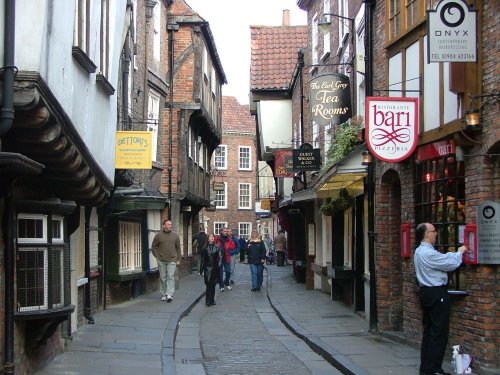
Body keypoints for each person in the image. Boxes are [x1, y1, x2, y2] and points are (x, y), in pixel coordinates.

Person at [413, 223, 468, 375]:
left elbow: (442, 258)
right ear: (426, 235)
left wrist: (453, 254)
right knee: (439, 333)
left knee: (429, 331)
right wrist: (460, 252)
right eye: (433, 231)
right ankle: (433, 369)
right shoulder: (427, 253)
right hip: (436, 294)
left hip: (426, 293)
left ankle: (426, 368)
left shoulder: (420, 251)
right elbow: (449, 263)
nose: (436, 234)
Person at [152, 219, 181, 303]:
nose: (170, 226)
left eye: (171, 224)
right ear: (164, 226)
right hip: (161, 260)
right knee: (163, 277)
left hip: (172, 259)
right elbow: (154, 247)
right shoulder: (158, 235)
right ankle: (164, 294)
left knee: (170, 276)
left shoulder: (175, 236)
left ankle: (169, 294)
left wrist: (178, 259)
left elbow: (178, 248)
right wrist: (157, 256)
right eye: (168, 224)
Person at [199, 233, 222, 306]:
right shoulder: (204, 248)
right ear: (208, 238)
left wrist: (218, 265)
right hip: (207, 268)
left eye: (213, 237)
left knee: (213, 284)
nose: (212, 238)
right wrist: (201, 269)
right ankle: (207, 301)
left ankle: (212, 300)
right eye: (210, 237)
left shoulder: (217, 247)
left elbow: (220, 257)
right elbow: (202, 259)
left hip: (215, 268)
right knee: (208, 284)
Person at [215, 227, 238, 291]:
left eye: (226, 231)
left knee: (228, 271)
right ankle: (221, 286)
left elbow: (233, 246)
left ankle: (227, 283)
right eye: (224, 231)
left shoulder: (229, 239)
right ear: (222, 232)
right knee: (220, 273)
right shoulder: (217, 239)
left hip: (227, 258)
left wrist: (227, 249)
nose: (226, 232)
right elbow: (215, 246)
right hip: (220, 258)